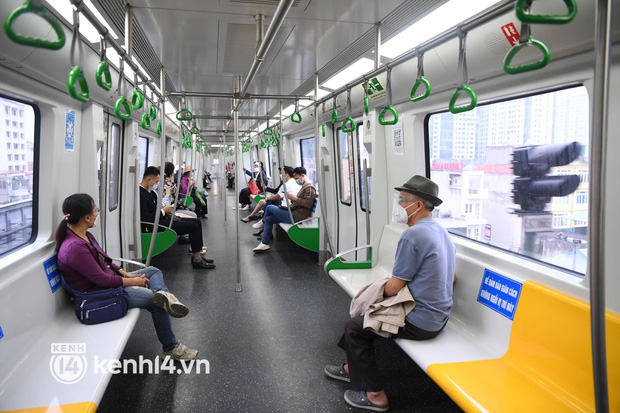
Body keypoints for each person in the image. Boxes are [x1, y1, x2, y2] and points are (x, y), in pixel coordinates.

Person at [324, 175, 455, 412]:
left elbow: (394, 288)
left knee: (355, 328)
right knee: (361, 320)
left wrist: (371, 293)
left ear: (418, 205)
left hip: (421, 321)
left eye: (403, 200)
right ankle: (352, 369)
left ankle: (375, 395)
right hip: (440, 316)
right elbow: (451, 277)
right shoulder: (441, 232)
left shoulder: (413, 235)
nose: (399, 206)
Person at [56, 193, 198, 360]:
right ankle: (171, 348)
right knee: (154, 302)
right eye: (95, 211)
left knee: (152, 271)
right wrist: (133, 281)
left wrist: (125, 273)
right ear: (86, 217)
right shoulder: (75, 247)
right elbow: (102, 280)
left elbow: (105, 261)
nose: (97, 214)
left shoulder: (84, 235)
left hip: (108, 283)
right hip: (98, 295)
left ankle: (164, 295)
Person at [140, 166, 215, 269]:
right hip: (156, 224)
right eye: (156, 181)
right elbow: (146, 218)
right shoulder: (141, 194)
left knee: (197, 222)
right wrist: (163, 211)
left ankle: (198, 255)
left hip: (163, 218)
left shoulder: (150, 192)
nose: (157, 184)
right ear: (149, 179)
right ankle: (197, 260)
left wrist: (164, 208)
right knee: (193, 227)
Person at [253, 166, 317, 252]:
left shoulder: (309, 188)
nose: (296, 181)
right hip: (294, 211)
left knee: (269, 207)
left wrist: (294, 198)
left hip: (297, 216)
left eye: (297, 178)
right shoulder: (304, 186)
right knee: (269, 219)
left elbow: (308, 204)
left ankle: (262, 221)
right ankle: (264, 243)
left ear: (303, 175)